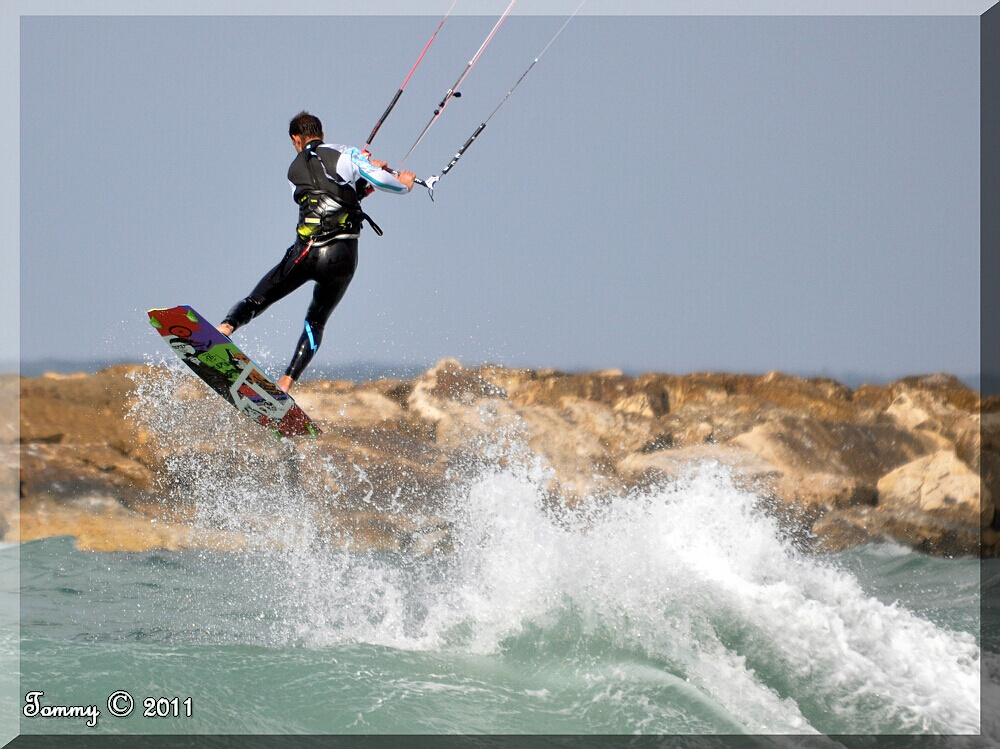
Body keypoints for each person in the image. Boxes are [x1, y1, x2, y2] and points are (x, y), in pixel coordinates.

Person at [217, 110, 416, 393]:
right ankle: (285, 384)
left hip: (305, 254)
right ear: (321, 133)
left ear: (295, 139)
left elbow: (327, 198)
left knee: (256, 300)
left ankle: (226, 328)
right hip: (342, 257)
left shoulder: (292, 171)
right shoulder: (346, 153)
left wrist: (369, 176)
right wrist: (401, 183)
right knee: (316, 321)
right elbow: (355, 193)